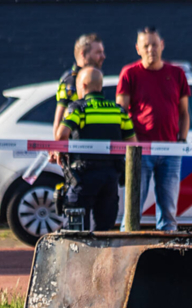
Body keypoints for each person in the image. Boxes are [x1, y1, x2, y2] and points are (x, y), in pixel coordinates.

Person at [116, 26, 190, 232]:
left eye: (154, 45)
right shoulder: (129, 73)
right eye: (146, 46)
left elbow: (184, 112)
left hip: (171, 151)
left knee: (168, 211)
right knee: (133, 209)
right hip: (139, 151)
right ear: (137, 48)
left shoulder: (176, 74)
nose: (151, 50)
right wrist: (130, 145)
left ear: (162, 45)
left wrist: (181, 142)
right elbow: (120, 114)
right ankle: (126, 252)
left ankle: (168, 254)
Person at [54, 67, 135, 231]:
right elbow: (133, 144)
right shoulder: (118, 110)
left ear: (82, 85)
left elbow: (61, 134)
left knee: (76, 231)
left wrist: (60, 151)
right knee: (105, 230)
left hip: (83, 177)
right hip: (111, 178)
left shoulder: (79, 108)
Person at [50, 34, 105, 166]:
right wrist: (59, 148)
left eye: (102, 52)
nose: (103, 56)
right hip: (77, 152)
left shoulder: (94, 76)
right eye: (98, 52)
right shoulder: (71, 80)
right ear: (83, 54)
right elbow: (60, 117)